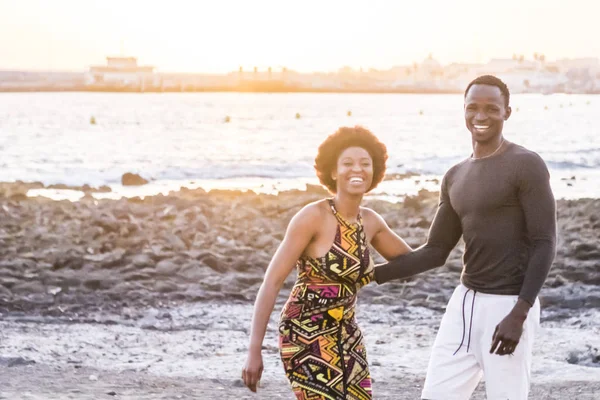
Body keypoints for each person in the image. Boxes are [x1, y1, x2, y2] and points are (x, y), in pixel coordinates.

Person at [375, 75, 557, 400]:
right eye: (473, 107)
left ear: (507, 112)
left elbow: (545, 242)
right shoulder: (455, 175)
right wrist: (370, 274)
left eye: (491, 108)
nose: (481, 116)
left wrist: (519, 314)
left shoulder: (526, 165)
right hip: (463, 304)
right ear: (464, 111)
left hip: (509, 305)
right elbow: (435, 250)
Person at [242, 126, 412, 399]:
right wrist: (254, 350)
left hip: (347, 334)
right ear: (333, 172)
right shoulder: (312, 217)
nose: (356, 169)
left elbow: (410, 262)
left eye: (365, 164)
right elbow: (272, 282)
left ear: (374, 172)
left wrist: (456, 223)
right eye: (347, 163)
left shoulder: (370, 222)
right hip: (304, 333)